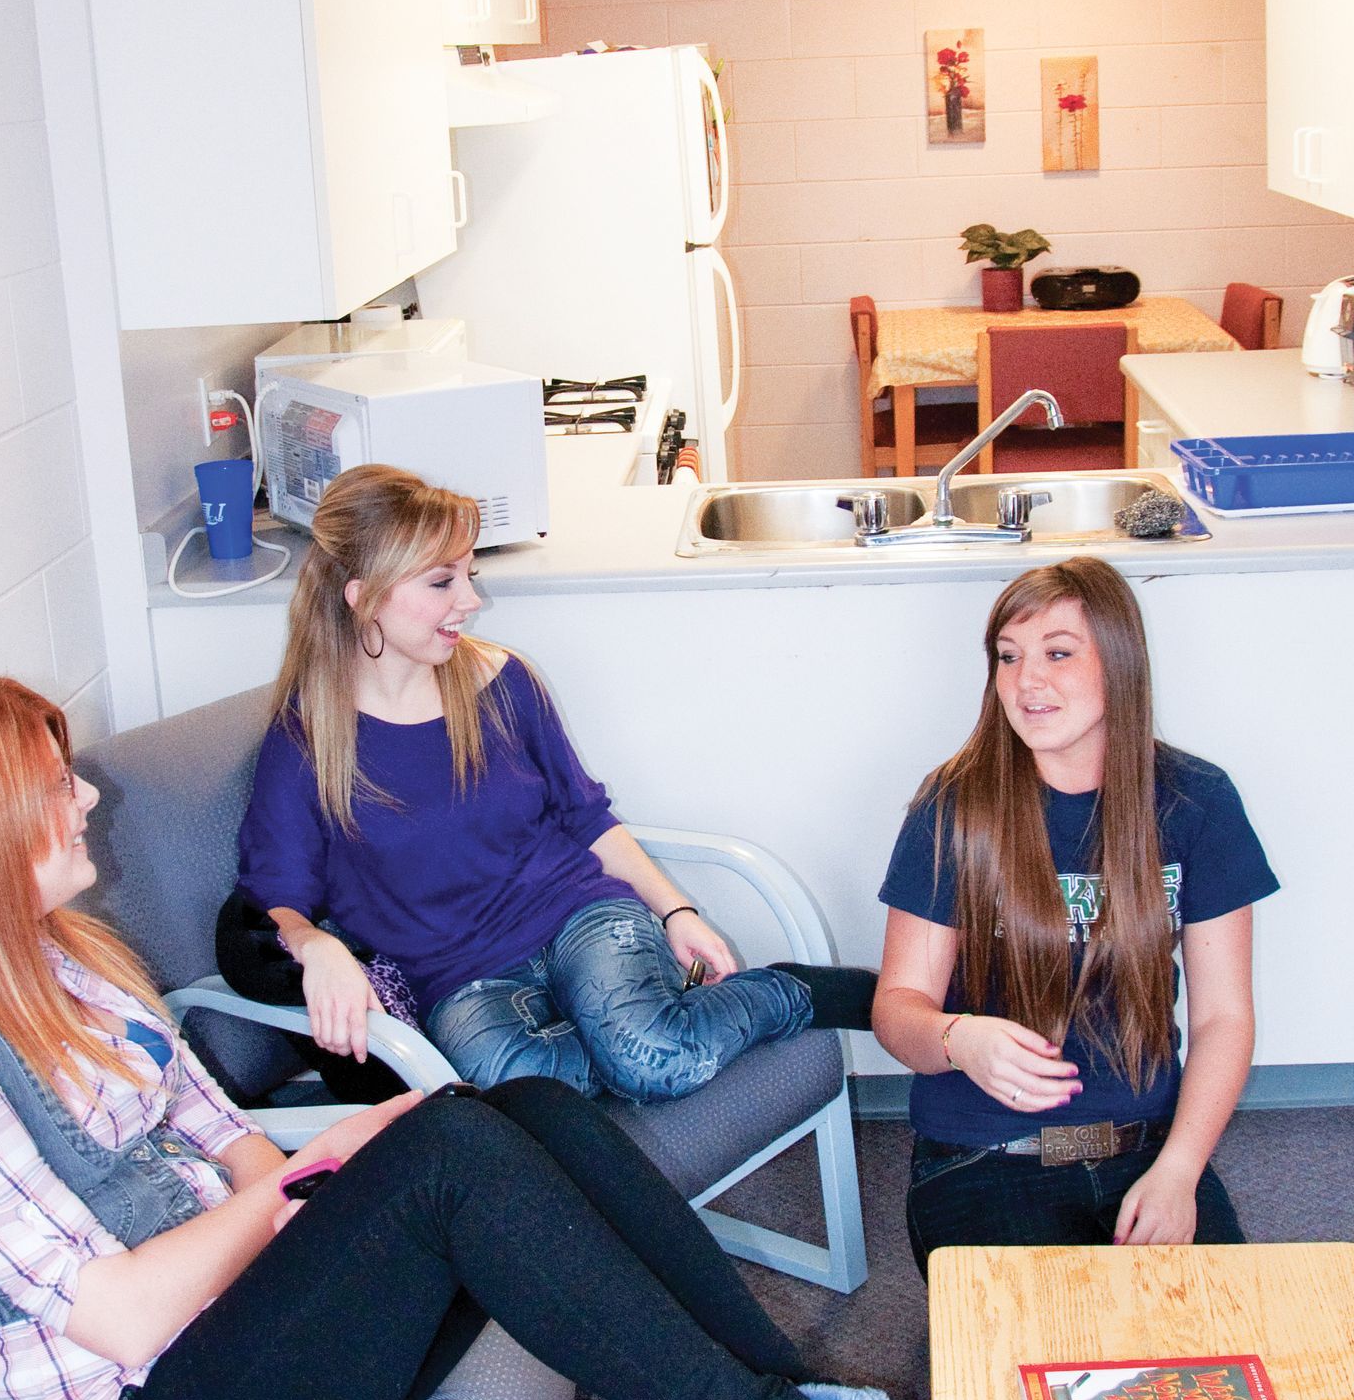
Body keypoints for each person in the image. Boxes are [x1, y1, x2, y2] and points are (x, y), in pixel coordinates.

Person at [0, 676, 1055, 1400]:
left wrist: (306, 1179)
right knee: (452, 1145)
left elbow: (226, 1140)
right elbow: (124, 1319)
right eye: (51, 782)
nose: (83, 795)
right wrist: (315, 1181)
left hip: (245, 1324)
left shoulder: (61, 963)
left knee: (532, 1114)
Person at [218, 464, 870, 1103]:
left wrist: (678, 910)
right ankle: (643, 1030)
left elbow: (586, 817)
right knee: (529, 1104)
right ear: (363, 596)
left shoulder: (502, 681)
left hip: (576, 914)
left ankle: (792, 992)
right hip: (458, 980)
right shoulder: (308, 741)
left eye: (468, 575)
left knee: (656, 1063)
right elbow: (273, 895)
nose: (471, 602)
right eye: (442, 581)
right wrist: (315, 944)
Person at [872, 559, 1278, 1268]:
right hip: (983, 1156)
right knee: (1035, 1367)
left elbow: (1224, 1018)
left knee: (1210, 1362)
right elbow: (898, 1011)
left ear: (1118, 663)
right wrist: (958, 1038)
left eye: (1058, 652)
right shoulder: (953, 808)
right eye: (1009, 656)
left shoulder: (1197, 801)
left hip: (1146, 1148)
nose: (1027, 680)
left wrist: (1180, 1170)